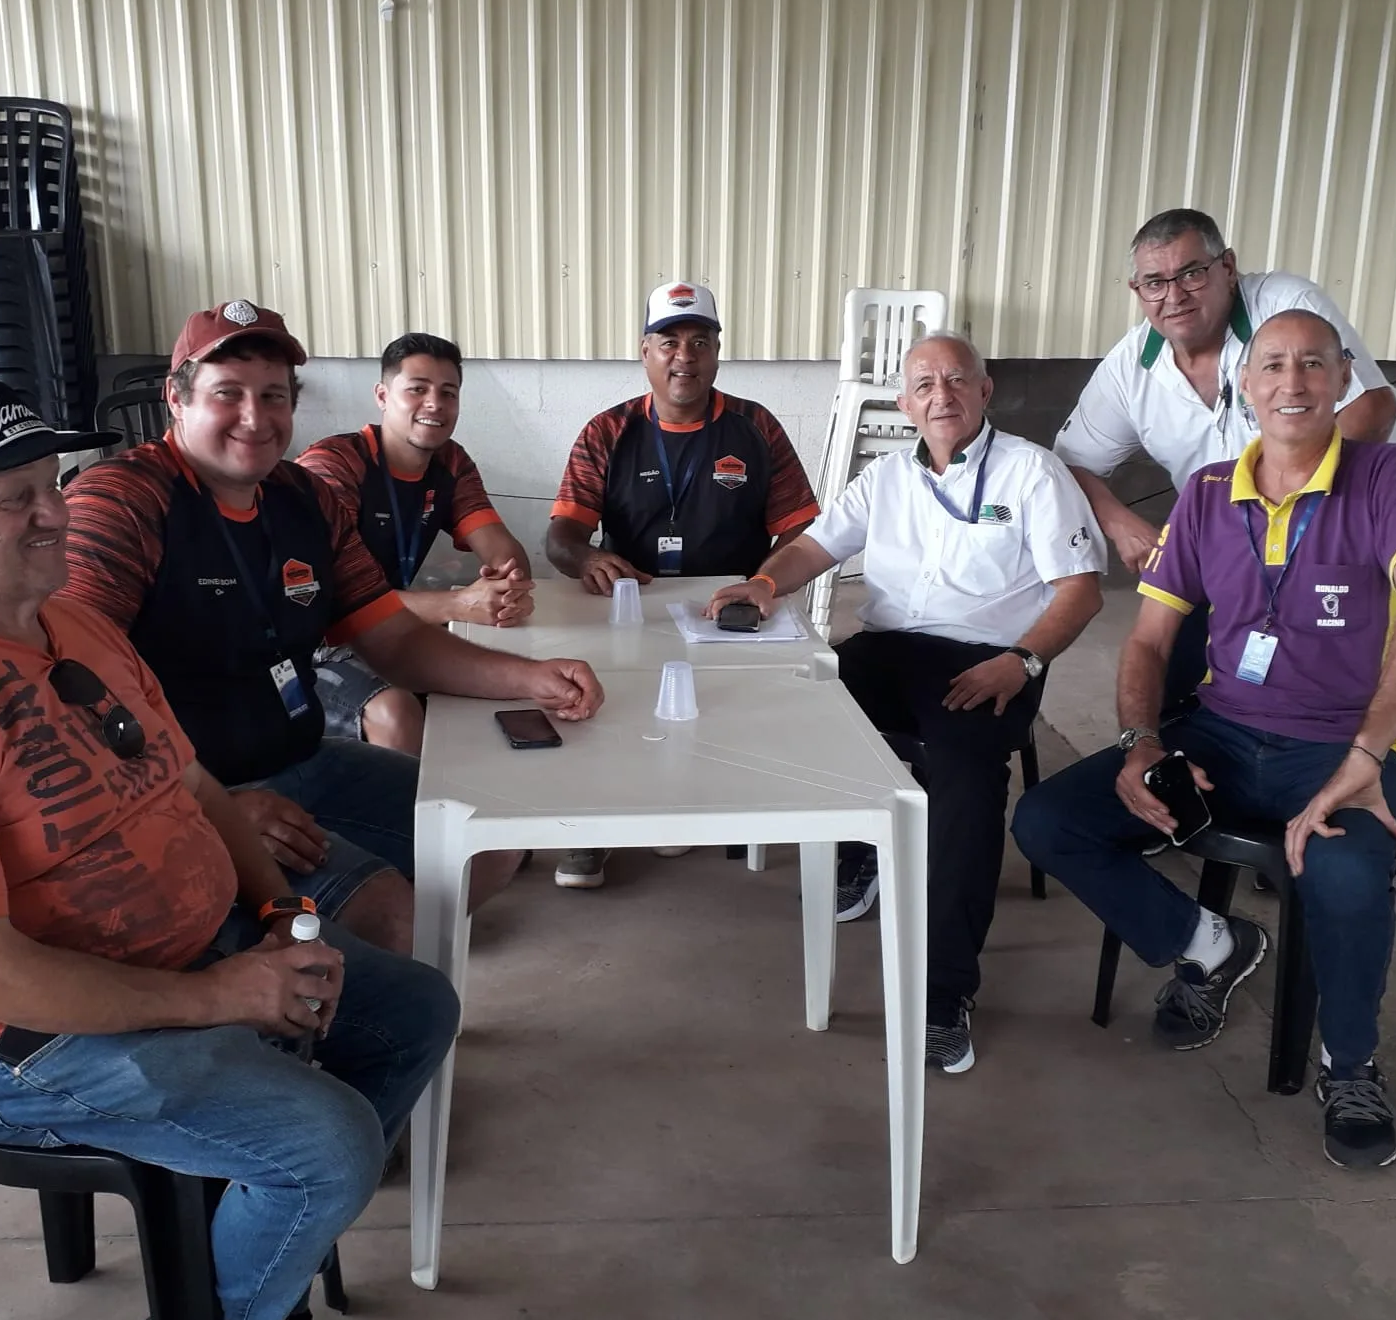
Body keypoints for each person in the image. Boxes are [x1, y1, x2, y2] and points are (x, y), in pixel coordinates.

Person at [0, 375, 461, 1320]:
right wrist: (219, 993)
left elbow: (196, 789)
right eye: (8, 498)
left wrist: (279, 914)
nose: (54, 512)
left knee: (409, 1008)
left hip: (194, 950)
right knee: (327, 1144)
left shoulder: (70, 622)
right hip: (38, 1045)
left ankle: (251, 1291)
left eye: (51, 484)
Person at [1013, 311, 1396, 1168]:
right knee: (1050, 820)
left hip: (1341, 749)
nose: (1293, 383)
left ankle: (1350, 1063)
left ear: (1341, 382)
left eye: (1314, 365)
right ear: (1243, 389)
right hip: (1222, 731)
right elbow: (1146, 640)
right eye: (1274, 366)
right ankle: (1213, 944)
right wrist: (1141, 742)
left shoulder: (1384, 474)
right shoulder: (1209, 493)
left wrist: (1369, 754)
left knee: (1348, 876)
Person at [62, 301, 603, 955]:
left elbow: (395, 639)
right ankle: (307, 996)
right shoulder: (120, 504)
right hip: (190, 791)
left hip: (303, 755)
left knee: (490, 843)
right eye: (227, 394)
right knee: (395, 918)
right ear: (176, 400)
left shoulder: (303, 500)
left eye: (273, 395)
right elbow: (68, 697)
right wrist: (204, 808)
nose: (255, 418)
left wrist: (534, 678)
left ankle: (365, 987)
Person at [708, 332, 1107, 1072]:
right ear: (904, 404)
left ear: (986, 391)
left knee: (963, 784)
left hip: (988, 661)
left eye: (957, 380)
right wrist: (764, 584)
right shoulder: (886, 477)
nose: (941, 396)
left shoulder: (1032, 474)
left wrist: (1021, 661)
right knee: (802, 709)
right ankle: (862, 852)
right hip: (890, 650)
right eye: (924, 385)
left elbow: (1079, 592)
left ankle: (944, 991)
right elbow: (815, 546)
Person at [1055, 207, 1396, 707]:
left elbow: (1370, 413)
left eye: (1191, 274)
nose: (1174, 296)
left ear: (1227, 268)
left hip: (1370, 534)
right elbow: (1067, 462)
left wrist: (1280, 529)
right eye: (1155, 282)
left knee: (1368, 700)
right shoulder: (1130, 367)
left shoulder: (1285, 306)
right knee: (1178, 689)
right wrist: (1121, 524)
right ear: (1138, 292)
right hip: (1247, 550)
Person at [544, 281, 820, 889]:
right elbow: (561, 535)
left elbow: (803, 531)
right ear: (644, 352)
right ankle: (591, 832)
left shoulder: (756, 428)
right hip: (631, 601)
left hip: (724, 606)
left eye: (700, 342)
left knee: (718, 706)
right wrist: (588, 560)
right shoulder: (607, 431)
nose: (684, 357)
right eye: (668, 342)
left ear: (718, 353)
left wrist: (762, 585)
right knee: (590, 696)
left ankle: (680, 802)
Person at [296, 332, 534, 756]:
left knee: (509, 687)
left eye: (448, 393)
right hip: (315, 643)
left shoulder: (450, 462)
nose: (434, 404)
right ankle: (406, 822)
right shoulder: (334, 465)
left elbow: (506, 555)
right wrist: (458, 604)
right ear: (383, 396)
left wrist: (507, 588)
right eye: (417, 389)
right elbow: (328, 600)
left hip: (390, 631)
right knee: (396, 713)